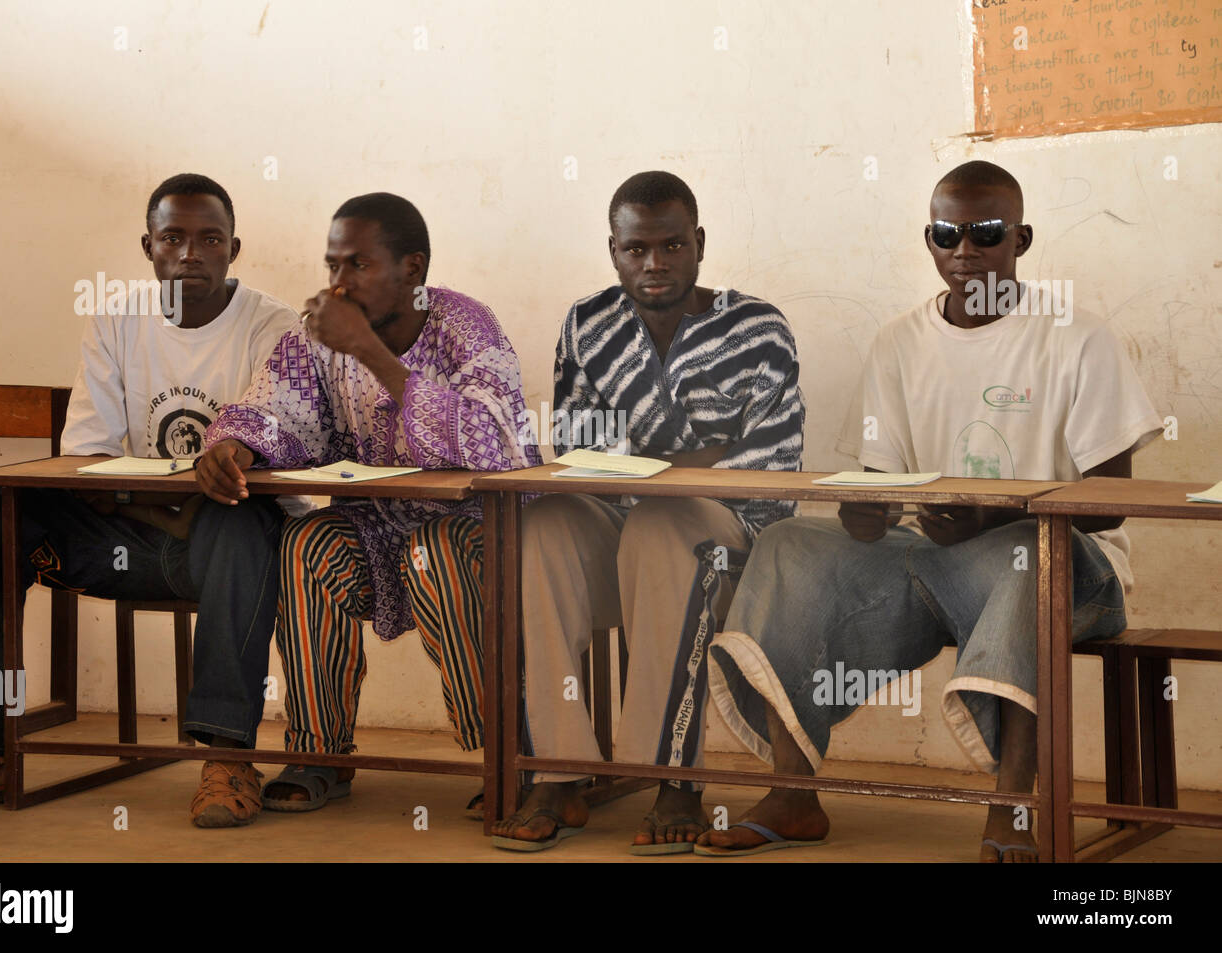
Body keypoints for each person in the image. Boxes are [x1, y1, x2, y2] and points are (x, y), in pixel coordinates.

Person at [699, 160, 1162, 861]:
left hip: (1061, 565)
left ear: (1022, 239)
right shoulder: (898, 343)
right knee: (790, 543)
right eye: (947, 234)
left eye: (985, 233)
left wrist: (993, 515)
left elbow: (1111, 498)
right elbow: (879, 481)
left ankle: (1012, 807)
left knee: (1023, 553)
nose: (965, 250)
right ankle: (793, 793)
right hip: (930, 556)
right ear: (930, 239)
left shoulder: (1077, 336)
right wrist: (868, 511)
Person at [0, 173, 302, 828]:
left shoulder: (273, 326)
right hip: (129, 533)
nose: (190, 254)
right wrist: (164, 495)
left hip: (218, 545)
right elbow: (87, 461)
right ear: (148, 246)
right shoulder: (117, 318)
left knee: (243, 518)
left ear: (233, 250)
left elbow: (266, 434)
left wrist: (195, 479)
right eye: (173, 238)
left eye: (209, 239)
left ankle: (228, 758)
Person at [198, 192, 541, 816]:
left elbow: (493, 441)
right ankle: (318, 754)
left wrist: (371, 354)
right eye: (332, 265)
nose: (338, 283)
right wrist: (236, 447)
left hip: (480, 532)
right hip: (379, 529)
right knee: (307, 543)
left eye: (358, 265)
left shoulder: (468, 326)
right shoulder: (320, 337)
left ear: (412, 270)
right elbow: (275, 409)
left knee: (435, 551)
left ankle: (507, 756)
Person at [491, 171, 805, 853]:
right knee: (541, 525)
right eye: (636, 249)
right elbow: (578, 451)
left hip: (733, 543)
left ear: (699, 242)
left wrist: (658, 469)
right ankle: (558, 767)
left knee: (665, 526)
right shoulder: (587, 324)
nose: (654, 264)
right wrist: (698, 456)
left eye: (671, 246)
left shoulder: (756, 327)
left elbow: (771, 467)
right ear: (613, 249)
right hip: (619, 525)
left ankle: (670, 775)